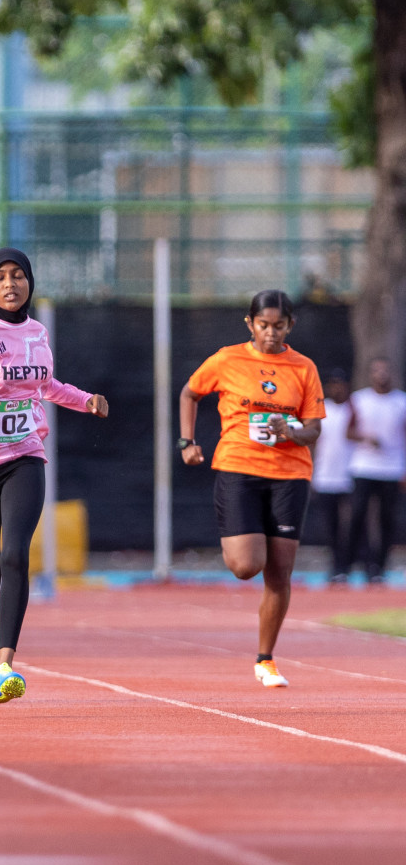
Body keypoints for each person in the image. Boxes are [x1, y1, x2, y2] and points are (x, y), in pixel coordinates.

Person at [0, 247, 108, 704]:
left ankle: (5, 664)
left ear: (30, 282)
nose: (11, 285)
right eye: (1, 278)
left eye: (19, 276)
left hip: (25, 456)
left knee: (15, 554)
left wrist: (85, 399)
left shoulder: (37, 333)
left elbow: (44, 387)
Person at [180, 289, 325, 688]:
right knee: (246, 566)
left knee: (280, 572)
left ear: (290, 326)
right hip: (239, 468)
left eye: (279, 326)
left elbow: (313, 429)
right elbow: (190, 392)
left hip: (290, 475)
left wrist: (290, 430)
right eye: (264, 325)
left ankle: (266, 659)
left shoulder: (303, 368)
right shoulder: (228, 359)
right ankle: (245, 535)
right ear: (250, 324)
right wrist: (186, 442)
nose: (271, 333)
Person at [345, 357, 406, 584]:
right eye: (376, 371)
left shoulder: (401, 401)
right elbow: (348, 432)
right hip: (364, 467)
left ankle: (378, 567)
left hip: (392, 469)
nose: (381, 375)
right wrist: (366, 437)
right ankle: (350, 563)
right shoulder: (359, 399)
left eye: (385, 370)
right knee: (357, 515)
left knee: (387, 520)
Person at [309, 368, 354, 584]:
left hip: (351, 477)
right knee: (331, 526)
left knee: (352, 525)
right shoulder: (320, 410)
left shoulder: (354, 409)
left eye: (341, 383)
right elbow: (313, 443)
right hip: (325, 477)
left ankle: (349, 565)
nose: (337, 388)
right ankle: (336, 567)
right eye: (333, 384)